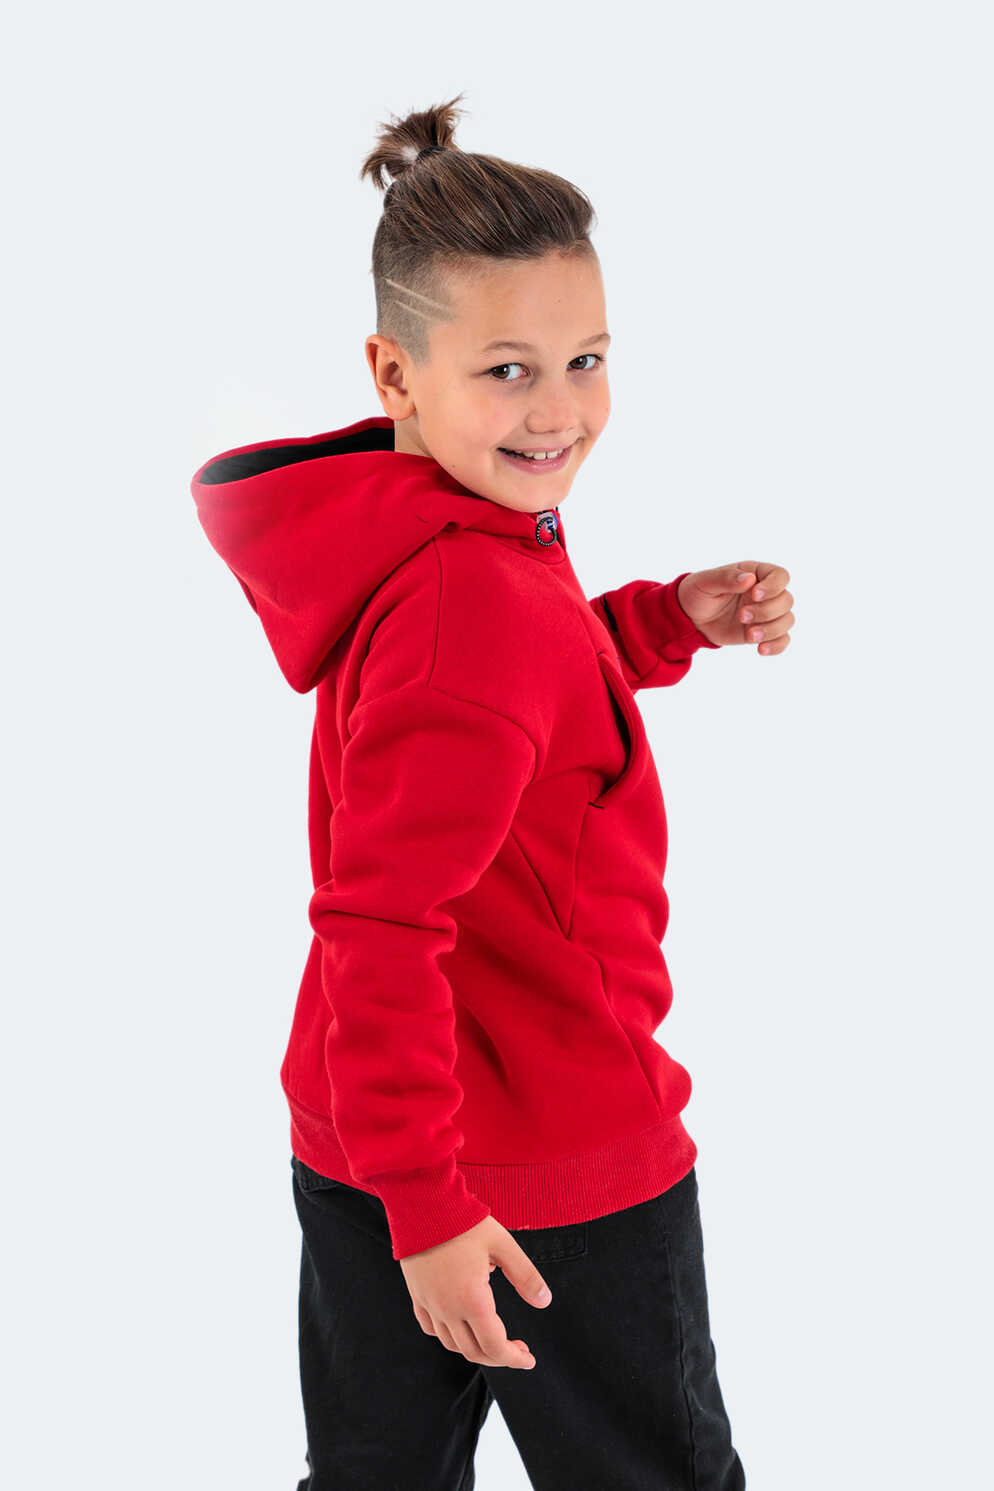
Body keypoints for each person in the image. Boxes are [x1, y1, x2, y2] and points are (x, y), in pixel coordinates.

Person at [191, 91, 794, 1491]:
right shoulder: (478, 598)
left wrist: (659, 621)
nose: (560, 410)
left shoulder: (425, 534)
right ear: (393, 374)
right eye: (508, 370)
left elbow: (504, 726)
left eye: (586, 359)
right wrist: (431, 1208)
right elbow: (380, 922)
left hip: (373, 1136)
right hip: (532, 1165)